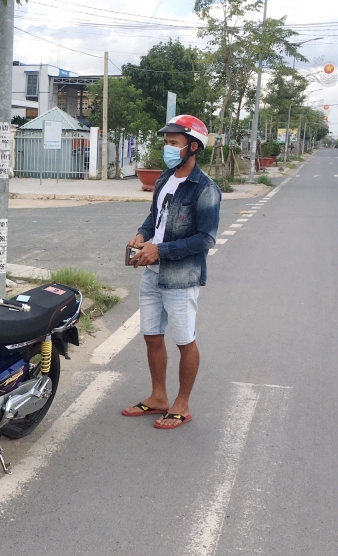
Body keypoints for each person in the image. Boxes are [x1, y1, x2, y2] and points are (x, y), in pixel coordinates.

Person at [121, 115, 221, 430]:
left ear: (193, 146)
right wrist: (141, 235)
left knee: (183, 339)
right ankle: (158, 397)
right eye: (166, 142)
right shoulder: (165, 178)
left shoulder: (204, 189)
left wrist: (160, 250)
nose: (168, 148)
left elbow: (205, 239)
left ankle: (181, 403)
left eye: (173, 143)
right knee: (151, 335)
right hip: (152, 272)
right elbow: (155, 218)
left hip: (180, 277)